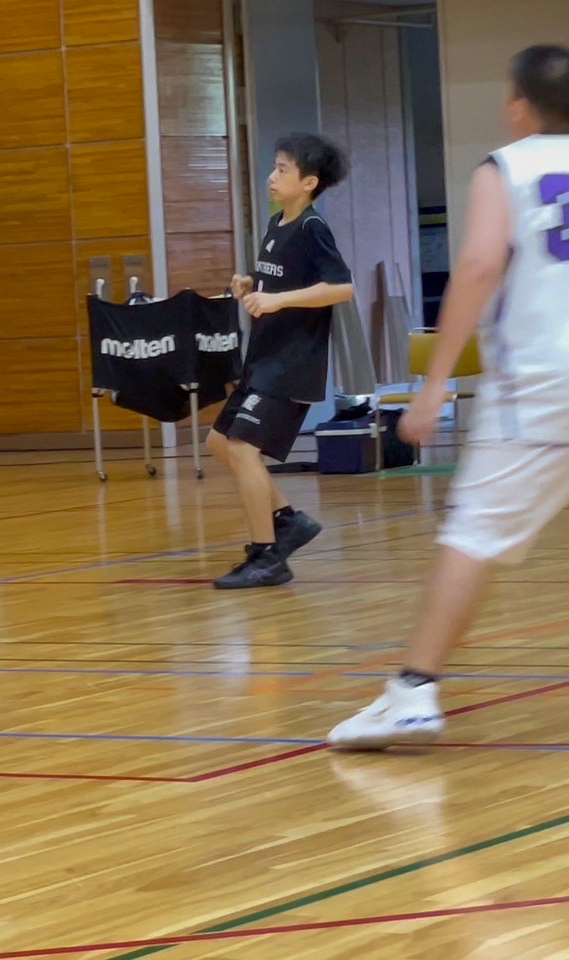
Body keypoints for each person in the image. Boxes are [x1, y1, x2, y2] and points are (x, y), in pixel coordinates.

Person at [330, 45, 569, 750]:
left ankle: (411, 694)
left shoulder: (507, 166)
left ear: (518, 106)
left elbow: (478, 264)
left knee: (472, 536)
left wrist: (433, 383)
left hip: (539, 385)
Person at [207, 134, 354, 590]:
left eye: (283, 169)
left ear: (309, 182)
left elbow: (342, 288)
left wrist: (278, 301)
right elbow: (281, 282)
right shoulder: (277, 224)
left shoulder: (313, 228)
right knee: (219, 442)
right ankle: (289, 521)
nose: (272, 177)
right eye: (274, 167)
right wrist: (251, 285)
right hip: (263, 359)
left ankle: (267, 556)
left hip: (291, 365)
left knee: (242, 448)